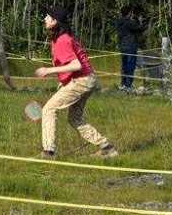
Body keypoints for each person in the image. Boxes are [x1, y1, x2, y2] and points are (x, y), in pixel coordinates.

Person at [34, 8, 115, 158]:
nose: (44, 19)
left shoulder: (63, 40)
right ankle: (107, 148)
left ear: (55, 21)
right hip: (86, 79)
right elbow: (71, 65)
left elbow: (76, 65)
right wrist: (63, 82)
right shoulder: (61, 38)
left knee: (48, 109)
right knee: (74, 118)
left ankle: (48, 151)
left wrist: (48, 70)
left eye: (48, 17)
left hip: (82, 80)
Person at [115, 6, 146, 91]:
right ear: (129, 13)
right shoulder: (130, 22)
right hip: (131, 46)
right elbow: (140, 29)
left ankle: (123, 84)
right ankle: (128, 85)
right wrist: (140, 21)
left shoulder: (118, 22)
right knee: (130, 66)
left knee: (124, 65)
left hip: (122, 46)